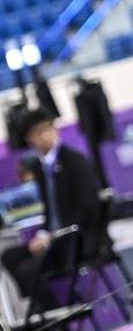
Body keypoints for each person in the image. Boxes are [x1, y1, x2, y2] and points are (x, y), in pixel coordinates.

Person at [1, 109, 104, 312]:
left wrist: (53, 237)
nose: (44, 135)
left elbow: (88, 210)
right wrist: (44, 234)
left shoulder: (75, 161)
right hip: (56, 238)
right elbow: (51, 209)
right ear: (29, 138)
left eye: (47, 129)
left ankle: (59, 320)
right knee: (9, 256)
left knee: (28, 270)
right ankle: (46, 307)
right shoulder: (40, 167)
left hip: (77, 239)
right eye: (37, 132)